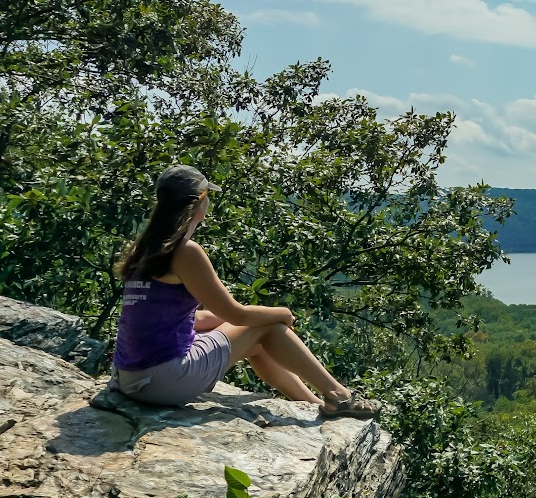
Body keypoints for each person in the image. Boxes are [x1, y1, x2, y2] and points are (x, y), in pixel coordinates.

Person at [109, 164, 380, 418]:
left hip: (129, 378)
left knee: (255, 335)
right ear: (198, 202)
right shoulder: (184, 251)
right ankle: (339, 395)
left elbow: (186, 319)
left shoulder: (145, 249)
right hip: (162, 381)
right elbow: (237, 315)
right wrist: (281, 313)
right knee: (265, 329)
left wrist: (244, 320)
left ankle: (313, 403)